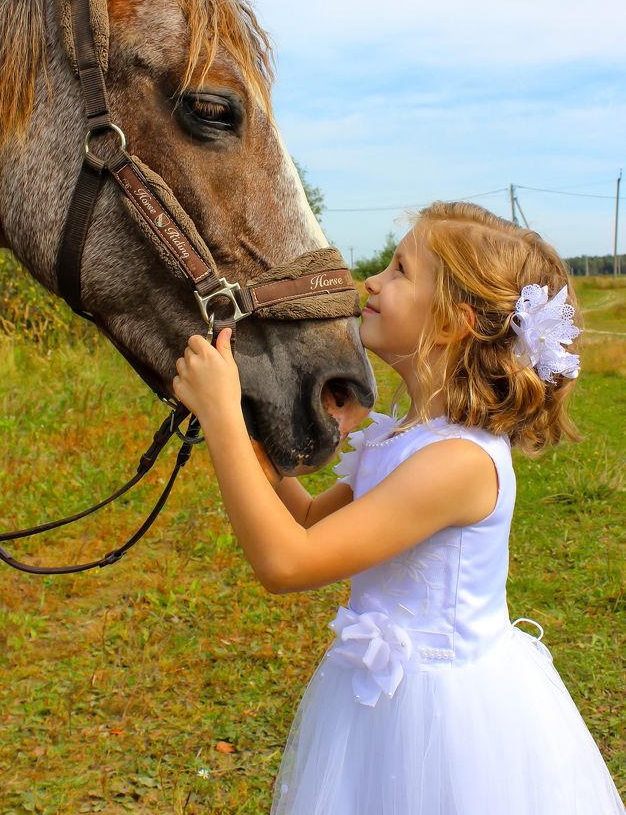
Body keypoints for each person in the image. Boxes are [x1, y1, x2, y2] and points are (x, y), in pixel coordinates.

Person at [172, 201, 625, 814]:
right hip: (382, 700)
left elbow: (288, 561)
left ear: (452, 323)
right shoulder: (400, 434)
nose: (372, 282)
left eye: (399, 270)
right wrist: (245, 424)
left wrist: (223, 420)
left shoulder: (459, 463)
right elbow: (308, 521)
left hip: (444, 719)